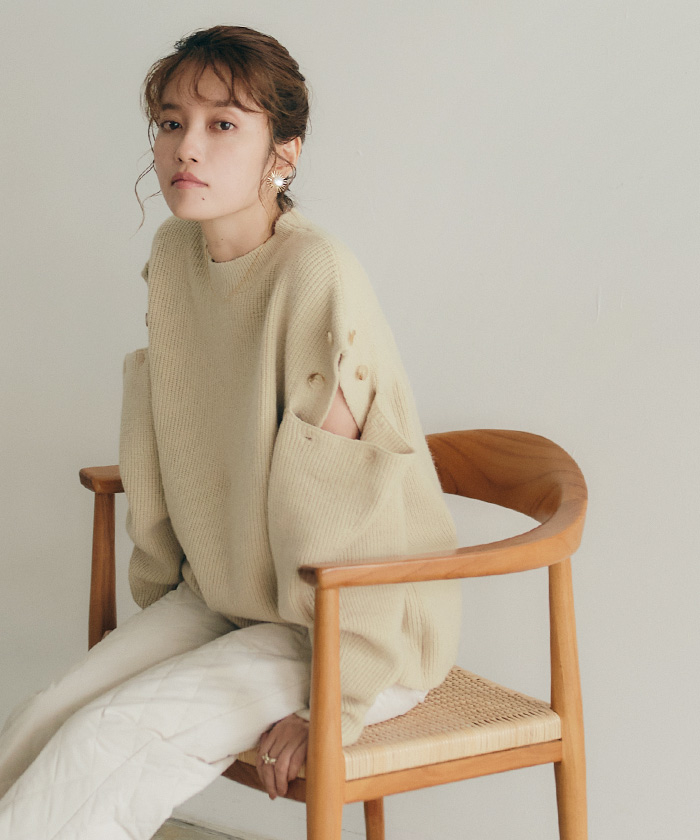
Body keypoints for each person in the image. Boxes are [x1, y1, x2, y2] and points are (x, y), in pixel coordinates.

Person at [0, 25, 461, 840]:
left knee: (107, 737)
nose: (188, 146)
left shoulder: (313, 275)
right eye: (171, 122)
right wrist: (166, 608)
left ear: (283, 152)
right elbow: (171, 429)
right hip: (230, 595)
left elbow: (349, 516)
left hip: (348, 628)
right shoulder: (176, 254)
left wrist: (336, 707)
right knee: (42, 717)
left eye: (223, 124)